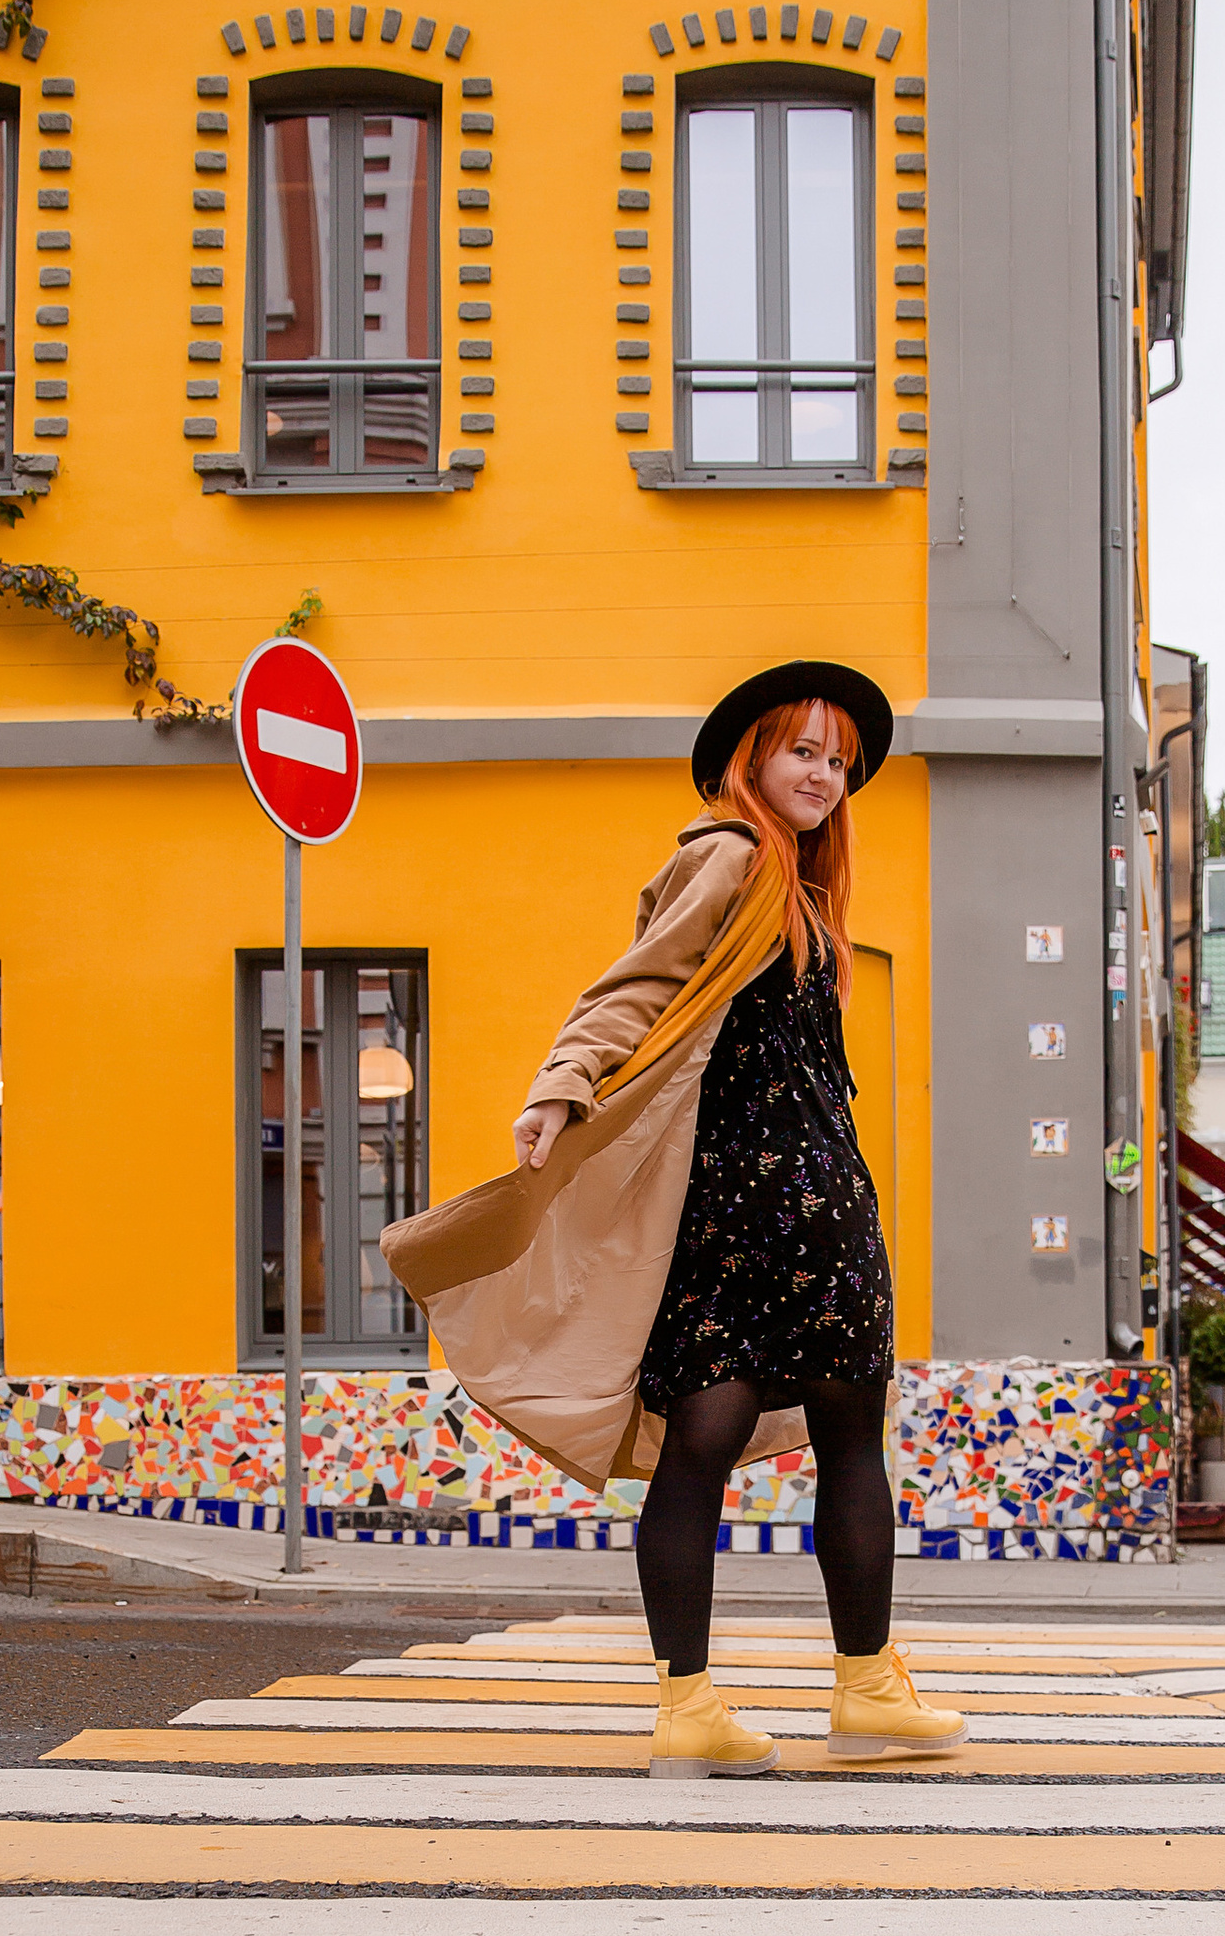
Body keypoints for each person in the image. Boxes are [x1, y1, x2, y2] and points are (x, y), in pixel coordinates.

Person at [381, 663, 963, 1774]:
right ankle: (848, 1692)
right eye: (804, 750)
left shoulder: (797, 888)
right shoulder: (733, 858)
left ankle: (729, 1704)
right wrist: (560, 1082)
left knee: (739, 1440)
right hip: (771, 1205)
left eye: (839, 762)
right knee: (814, 1442)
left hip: (775, 1202)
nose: (824, 776)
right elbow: (633, 986)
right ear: (749, 756)